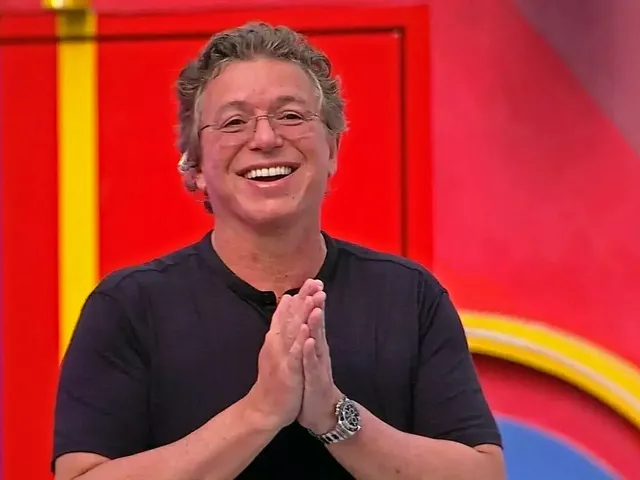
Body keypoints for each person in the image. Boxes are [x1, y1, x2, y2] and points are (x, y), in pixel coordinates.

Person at [52, 22, 505, 480]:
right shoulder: (129, 307)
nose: (266, 139)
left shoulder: (408, 296)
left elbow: (482, 473)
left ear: (332, 149)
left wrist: (333, 415)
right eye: (234, 122)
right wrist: (259, 413)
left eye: (290, 116)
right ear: (196, 165)